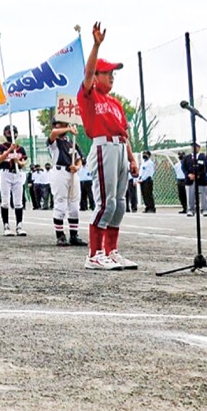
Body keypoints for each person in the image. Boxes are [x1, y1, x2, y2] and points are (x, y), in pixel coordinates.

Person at [79, 22, 139, 270]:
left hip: (119, 148)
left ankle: (110, 251)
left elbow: (123, 133)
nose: (112, 76)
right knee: (106, 202)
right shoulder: (89, 95)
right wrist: (95, 45)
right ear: (96, 76)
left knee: (120, 203)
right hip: (103, 148)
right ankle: (94, 255)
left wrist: (132, 158)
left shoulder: (116, 103)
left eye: (113, 72)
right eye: (108, 72)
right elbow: (88, 72)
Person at [48, 121, 86, 247]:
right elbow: (53, 133)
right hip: (59, 172)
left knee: (74, 204)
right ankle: (60, 235)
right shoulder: (54, 141)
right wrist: (69, 128)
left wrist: (77, 167)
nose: (61, 126)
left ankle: (74, 235)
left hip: (72, 173)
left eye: (64, 124)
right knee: (61, 203)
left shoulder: (72, 141)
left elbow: (79, 158)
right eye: (59, 124)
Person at [0, 124, 27, 236]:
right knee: (5, 200)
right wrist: (9, 151)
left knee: (18, 201)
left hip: (17, 174)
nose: (12, 135)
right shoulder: (1, 147)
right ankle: (6, 225)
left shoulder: (20, 148)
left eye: (14, 132)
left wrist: (18, 161)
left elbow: (23, 163)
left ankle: (19, 225)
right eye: (9, 132)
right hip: (5, 173)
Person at [182, 143, 207, 218]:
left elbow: (206, 167)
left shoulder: (203, 157)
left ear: (199, 148)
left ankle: (204, 209)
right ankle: (190, 209)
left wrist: (198, 174)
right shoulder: (187, 157)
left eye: (196, 147)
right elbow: (183, 167)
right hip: (190, 179)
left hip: (201, 179)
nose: (194, 148)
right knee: (190, 194)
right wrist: (189, 174)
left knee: (203, 195)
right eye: (192, 146)